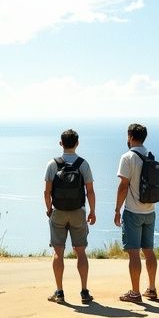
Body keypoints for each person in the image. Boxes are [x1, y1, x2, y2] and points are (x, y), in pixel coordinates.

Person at [43, 128, 96, 304]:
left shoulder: (52, 164)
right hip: (78, 211)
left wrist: (49, 208)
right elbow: (90, 191)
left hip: (58, 211)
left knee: (58, 251)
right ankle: (84, 292)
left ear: (61, 143)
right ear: (77, 143)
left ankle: (59, 292)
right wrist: (92, 211)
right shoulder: (83, 164)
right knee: (81, 252)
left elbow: (46, 191)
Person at [113, 122, 158, 303]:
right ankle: (152, 289)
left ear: (130, 137)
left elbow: (123, 186)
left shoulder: (128, 157)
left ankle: (135, 292)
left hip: (133, 211)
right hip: (150, 210)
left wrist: (117, 210)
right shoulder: (150, 156)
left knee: (133, 253)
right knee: (149, 251)